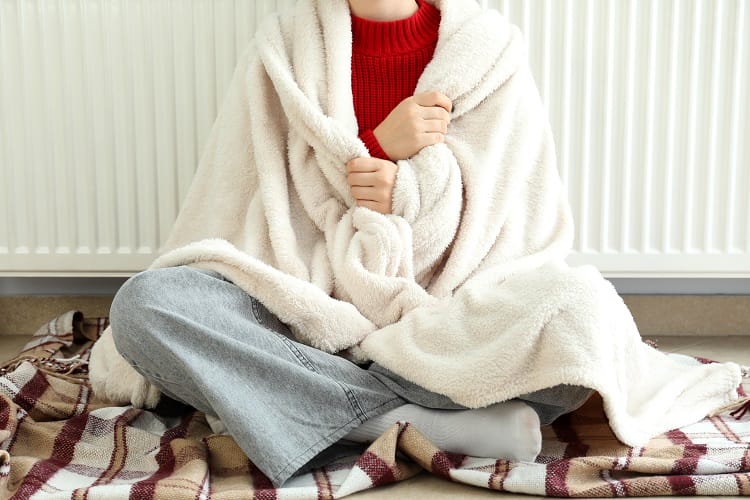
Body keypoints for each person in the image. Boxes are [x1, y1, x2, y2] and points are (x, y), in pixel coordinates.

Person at [104, 0, 608, 488]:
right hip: (305, 317)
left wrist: (412, 190)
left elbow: (511, 212)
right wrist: (374, 148)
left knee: (579, 314)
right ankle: (427, 426)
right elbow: (243, 201)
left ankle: (287, 403)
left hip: (444, 316)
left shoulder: (490, 50)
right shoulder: (283, 48)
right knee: (147, 305)